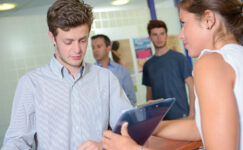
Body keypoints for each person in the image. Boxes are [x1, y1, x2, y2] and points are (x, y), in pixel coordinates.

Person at [101, 0, 243, 149]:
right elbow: (201, 129)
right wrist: (150, 127)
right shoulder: (236, 55)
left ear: (208, 19)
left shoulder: (211, 62)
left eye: (183, 23)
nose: (181, 35)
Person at [1, 0, 133, 150]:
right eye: (68, 42)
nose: (77, 50)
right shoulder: (31, 83)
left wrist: (104, 145)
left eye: (82, 40)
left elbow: (128, 130)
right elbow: (16, 143)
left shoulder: (106, 79)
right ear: (53, 38)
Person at [142, 19, 195, 120]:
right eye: (155, 34)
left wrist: (192, 113)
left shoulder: (179, 58)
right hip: (160, 119)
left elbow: (191, 87)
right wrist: (150, 118)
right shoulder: (148, 65)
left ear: (166, 35)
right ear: (150, 38)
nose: (159, 38)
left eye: (162, 33)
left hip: (182, 115)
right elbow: (149, 95)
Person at [91, 34, 137, 106]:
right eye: (93, 47)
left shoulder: (122, 71)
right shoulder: (89, 73)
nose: (95, 50)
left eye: (99, 46)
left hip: (121, 115)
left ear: (108, 48)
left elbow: (131, 99)